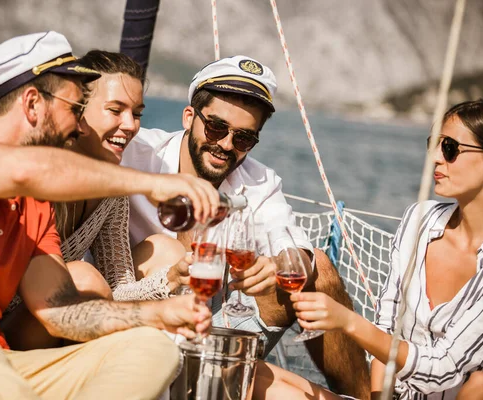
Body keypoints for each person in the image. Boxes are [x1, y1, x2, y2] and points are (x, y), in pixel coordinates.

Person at [0, 31, 220, 399]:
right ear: (33, 104)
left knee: (152, 349)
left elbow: (60, 310)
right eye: (74, 109)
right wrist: (150, 184)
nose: (79, 126)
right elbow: (25, 170)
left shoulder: (34, 205)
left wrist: (156, 315)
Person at [121, 55, 371, 398]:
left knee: (321, 271)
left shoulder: (259, 182)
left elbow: (296, 249)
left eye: (243, 139)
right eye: (216, 127)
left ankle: (366, 394)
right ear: (189, 116)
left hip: (219, 325)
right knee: (163, 249)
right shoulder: (135, 152)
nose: (226, 145)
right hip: (145, 318)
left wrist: (278, 265)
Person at [259, 99, 483, 399]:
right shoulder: (418, 220)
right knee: (250, 373)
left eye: (449, 148)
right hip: (385, 395)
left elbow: (444, 368)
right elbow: (387, 325)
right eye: (433, 144)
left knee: (482, 385)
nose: (435, 157)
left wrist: (346, 320)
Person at [2, 49, 184, 350]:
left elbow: (118, 289)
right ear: (78, 111)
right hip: (11, 323)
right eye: (116, 110)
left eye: (137, 114)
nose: (130, 125)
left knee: (164, 249)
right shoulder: (39, 171)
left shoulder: (112, 193)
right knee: (81, 278)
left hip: (75, 312)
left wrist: (172, 278)